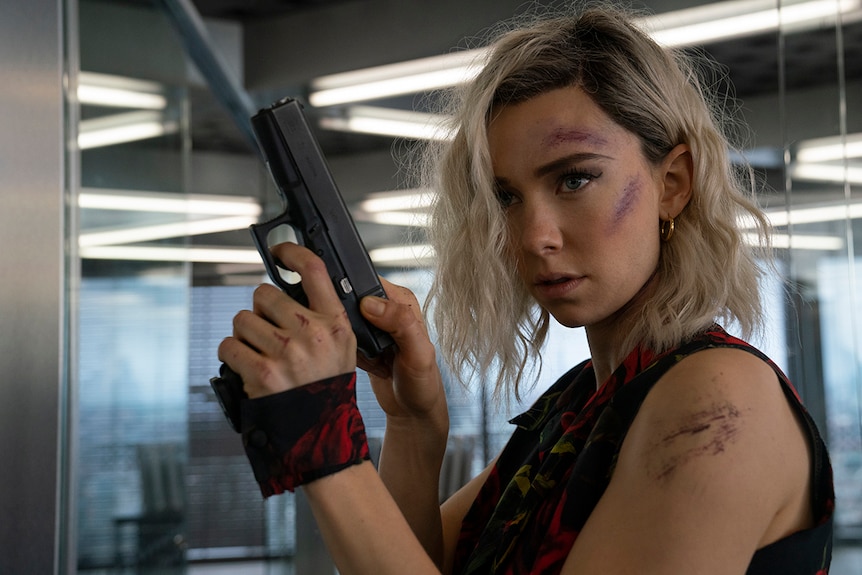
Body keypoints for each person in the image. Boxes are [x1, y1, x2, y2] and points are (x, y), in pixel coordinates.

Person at [217, 3, 835, 574]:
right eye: (506, 197)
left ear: (672, 182)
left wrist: (324, 440)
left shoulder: (717, 399)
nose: (532, 236)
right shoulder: (580, 406)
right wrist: (412, 426)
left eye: (574, 180)